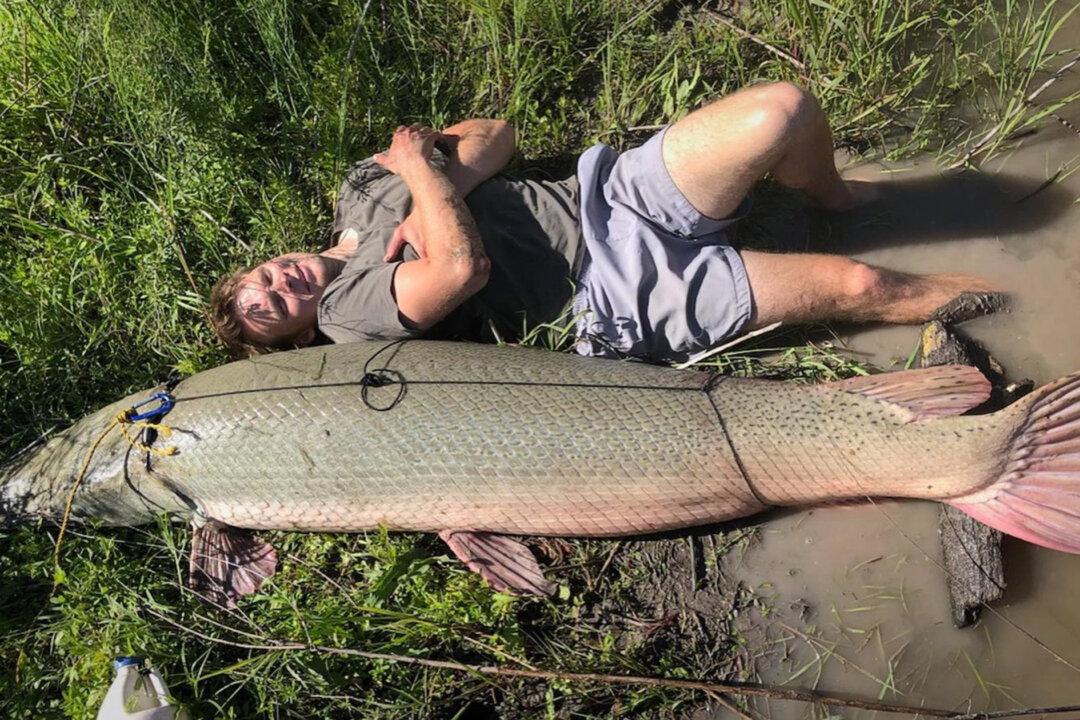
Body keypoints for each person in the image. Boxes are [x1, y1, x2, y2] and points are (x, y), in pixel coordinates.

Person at [210, 82, 1000, 362]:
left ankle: (837, 201)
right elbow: (459, 271)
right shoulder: (352, 318)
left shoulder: (360, 191)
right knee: (864, 285)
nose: (282, 287)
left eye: (264, 280)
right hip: (616, 292)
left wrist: (426, 194)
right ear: (298, 334)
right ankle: (1016, 303)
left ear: (268, 258)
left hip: (610, 196)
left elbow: (496, 134)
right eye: (276, 311)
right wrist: (421, 166)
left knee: (781, 112)